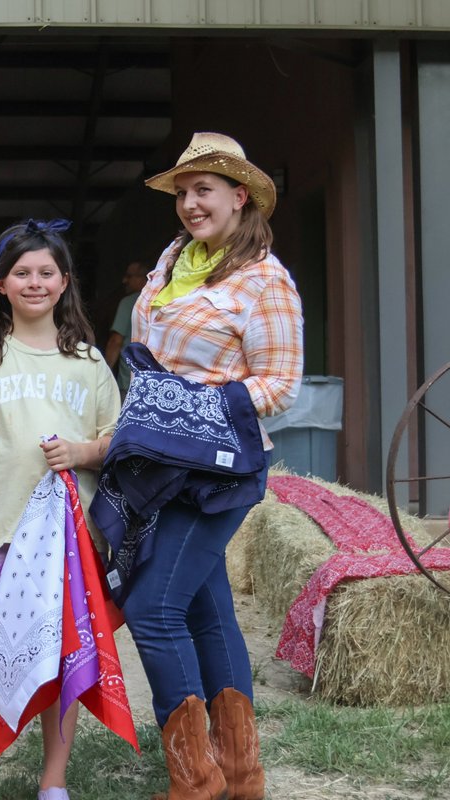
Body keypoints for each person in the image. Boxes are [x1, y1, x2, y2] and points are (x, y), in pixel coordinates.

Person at [105, 133, 303, 800]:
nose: (191, 203)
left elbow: (279, 384)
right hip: (158, 467)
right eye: (184, 192)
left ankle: (195, 782)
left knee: (152, 607)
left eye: (205, 191)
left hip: (214, 473)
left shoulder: (264, 280)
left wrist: (194, 406)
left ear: (238, 196)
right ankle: (240, 776)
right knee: (203, 610)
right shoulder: (169, 267)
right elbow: (144, 356)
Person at [0, 219, 121, 800]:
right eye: (22, 272)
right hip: (0, 536)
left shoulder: (90, 363)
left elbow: (115, 443)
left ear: (65, 281)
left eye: (47, 272)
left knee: (64, 660)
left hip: (74, 542)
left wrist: (83, 452)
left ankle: (53, 783)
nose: (35, 282)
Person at [101, 259, 148, 396]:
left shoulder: (128, 303)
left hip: (129, 383)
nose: (124, 281)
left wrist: (104, 374)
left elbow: (116, 341)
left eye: (129, 276)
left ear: (143, 278)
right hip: (153, 383)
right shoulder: (161, 301)